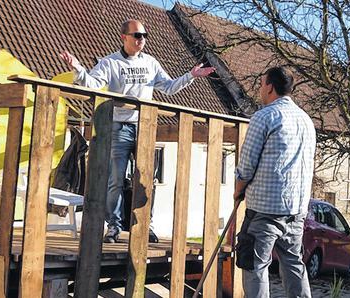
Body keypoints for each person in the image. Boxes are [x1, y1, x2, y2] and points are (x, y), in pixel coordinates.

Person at [60, 19, 215, 243]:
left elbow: (169, 88)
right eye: (137, 35)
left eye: (144, 36)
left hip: (145, 127)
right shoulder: (110, 63)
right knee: (116, 179)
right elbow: (93, 84)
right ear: (124, 38)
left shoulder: (150, 63)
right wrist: (77, 69)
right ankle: (114, 226)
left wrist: (191, 76)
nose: (141, 40)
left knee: (145, 180)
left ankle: (145, 225)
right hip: (119, 126)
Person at [234, 66, 316, 297]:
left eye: (262, 84)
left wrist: (237, 190)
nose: (261, 89)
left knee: (254, 265)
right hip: (296, 209)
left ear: (270, 86)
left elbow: (247, 166)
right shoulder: (306, 121)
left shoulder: (264, 117)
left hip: (264, 209)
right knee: (293, 264)